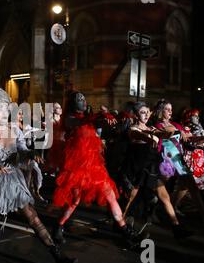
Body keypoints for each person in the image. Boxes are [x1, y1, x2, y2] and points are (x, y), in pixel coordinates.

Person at [0, 88, 77, 263]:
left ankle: (57, 255)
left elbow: (22, 148)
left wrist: (31, 153)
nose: (4, 112)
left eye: (7, 108)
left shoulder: (14, 128)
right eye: (0, 109)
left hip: (12, 178)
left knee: (32, 216)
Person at [51, 91, 142, 247]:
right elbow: (82, 122)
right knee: (74, 200)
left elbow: (102, 124)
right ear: (72, 103)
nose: (83, 101)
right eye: (79, 99)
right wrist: (99, 116)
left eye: (84, 98)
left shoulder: (88, 119)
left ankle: (125, 231)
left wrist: (116, 118)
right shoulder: (69, 119)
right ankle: (58, 226)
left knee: (110, 195)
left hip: (94, 166)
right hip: (77, 168)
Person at [123, 102, 193, 239]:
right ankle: (120, 222)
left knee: (165, 197)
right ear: (136, 114)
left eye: (147, 112)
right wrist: (148, 137)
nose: (146, 115)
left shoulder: (151, 128)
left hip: (150, 168)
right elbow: (139, 135)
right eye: (143, 112)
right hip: (137, 170)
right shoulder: (133, 128)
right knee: (130, 199)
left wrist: (177, 131)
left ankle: (176, 228)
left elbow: (163, 134)